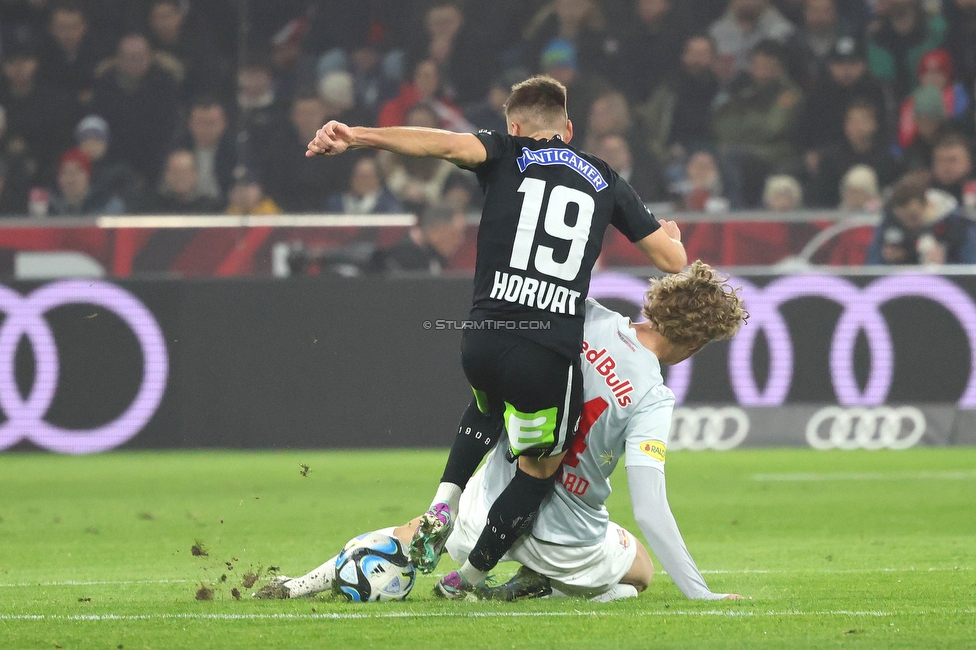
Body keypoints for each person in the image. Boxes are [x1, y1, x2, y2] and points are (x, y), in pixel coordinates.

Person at [307, 75, 687, 599]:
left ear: (514, 126)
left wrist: (357, 136)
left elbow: (440, 143)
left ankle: (445, 498)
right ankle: (467, 580)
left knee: (488, 404)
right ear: (569, 129)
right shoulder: (603, 177)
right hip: (545, 349)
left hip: (481, 338)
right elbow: (673, 264)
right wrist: (670, 237)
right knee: (540, 466)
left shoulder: (504, 150)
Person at [255, 262, 746, 603]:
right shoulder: (653, 399)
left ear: (658, 301)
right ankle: (541, 585)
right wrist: (700, 592)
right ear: (698, 340)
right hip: (569, 538)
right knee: (640, 570)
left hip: (492, 501)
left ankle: (299, 584)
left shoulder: (586, 317)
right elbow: (649, 508)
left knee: (418, 531)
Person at [866, 173, 976, 264]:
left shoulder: (958, 226)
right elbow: (871, 267)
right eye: (901, 219)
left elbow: (970, 269)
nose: (908, 224)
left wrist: (945, 263)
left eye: (913, 217)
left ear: (927, 205)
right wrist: (887, 261)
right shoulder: (888, 223)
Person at [374, 203, 467, 274]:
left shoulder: (435, 257)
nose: (460, 241)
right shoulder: (401, 259)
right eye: (457, 234)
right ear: (438, 231)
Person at [324, 155, 402, 215]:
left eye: (366, 176)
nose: (361, 181)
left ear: (377, 179)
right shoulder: (336, 204)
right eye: (358, 175)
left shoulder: (389, 205)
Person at [930, 132, 975, 205]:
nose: (946, 166)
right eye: (940, 160)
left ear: (968, 163)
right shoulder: (924, 195)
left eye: (952, 160)